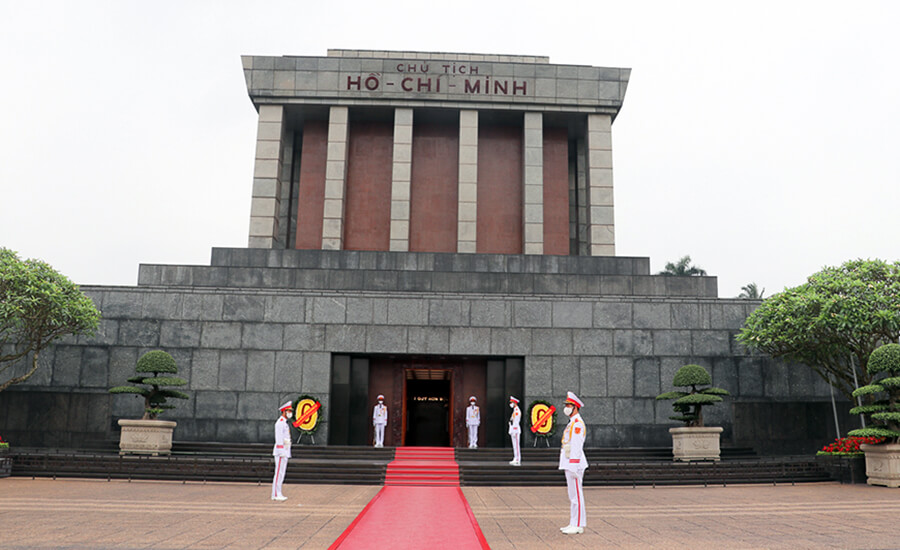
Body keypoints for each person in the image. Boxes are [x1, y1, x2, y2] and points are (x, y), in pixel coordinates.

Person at [559, 391, 588, 534]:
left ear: (575, 407)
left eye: (568, 405)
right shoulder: (572, 422)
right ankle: (573, 522)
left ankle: (578, 524)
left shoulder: (577, 424)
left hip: (574, 463)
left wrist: (574, 465)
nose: (566, 407)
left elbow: (577, 445)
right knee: (573, 496)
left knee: (576, 494)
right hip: (569, 462)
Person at [271, 400, 293, 501]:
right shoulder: (280, 423)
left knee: (281, 473)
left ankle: (279, 492)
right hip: (281, 452)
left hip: (285, 451)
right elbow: (279, 438)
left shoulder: (284, 423)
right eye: (289, 411)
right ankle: (275, 494)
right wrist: (281, 452)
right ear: (284, 411)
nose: (290, 413)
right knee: (278, 473)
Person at [508, 396, 521, 465]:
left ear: (515, 403)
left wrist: (514, 430)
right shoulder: (514, 410)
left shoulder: (517, 411)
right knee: (514, 445)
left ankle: (518, 459)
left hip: (515, 430)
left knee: (516, 445)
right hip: (513, 429)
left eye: (511, 402)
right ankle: (515, 457)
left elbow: (516, 421)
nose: (510, 404)